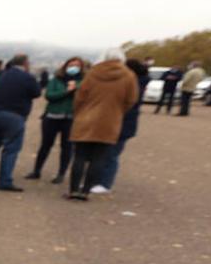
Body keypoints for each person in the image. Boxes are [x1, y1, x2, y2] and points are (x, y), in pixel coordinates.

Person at [68, 50, 138, 201]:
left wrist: (79, 112)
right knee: (98, 158)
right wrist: (118, 111)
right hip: (110, 121)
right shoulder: (129, 76)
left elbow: (80, 97)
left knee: (79, 156)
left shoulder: (93, 73)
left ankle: (74, 189)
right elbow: (131, 100)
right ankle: (86, 191)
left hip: (86, 118)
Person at [0, 53, 41, 192]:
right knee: (10, 150)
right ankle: (4, 181)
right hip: (14, 116)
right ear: (26, 64)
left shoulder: (3, 75)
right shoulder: (27, 78)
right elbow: (37, 93)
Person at [92, 58, 147, 193]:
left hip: (122, 124)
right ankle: (99, 180)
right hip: (118, 123)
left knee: (111, 154)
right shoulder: (134, 82)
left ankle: (105, 183)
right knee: (106, 153)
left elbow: (127, 104)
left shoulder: (134, 84)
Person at [26, 57, 84, 182]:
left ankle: (61, 174)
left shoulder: (83, 82)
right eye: (71, 65)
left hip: (71, 118)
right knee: (45, 145)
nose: (74, 68)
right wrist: (67, 91)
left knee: (67, 147)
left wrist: (76, 90)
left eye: (77, 66)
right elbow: (49, 95)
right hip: (52, 116)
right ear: (66, 66)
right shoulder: (56, 79)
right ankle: (36, 170)